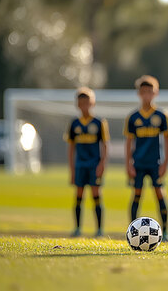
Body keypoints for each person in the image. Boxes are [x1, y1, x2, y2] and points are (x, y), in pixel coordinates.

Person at [124, 76, 168, 241]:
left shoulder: (162, 115)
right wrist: (128, 164)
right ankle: (132, 230)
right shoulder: (133, 117)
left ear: (156, 93)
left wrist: (165, 162)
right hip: (138, 163)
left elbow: (167, 141)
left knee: (159, 193)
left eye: (150, 92)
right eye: (143, 92)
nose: (146, 95)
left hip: (155, 163)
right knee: (137, 194)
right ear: (138, 93)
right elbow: (129, 142)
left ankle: (166, 231)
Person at [65, 87, 109, 237]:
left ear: (93, 103)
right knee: (78, 195)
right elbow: (71, 147)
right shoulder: (74, 123)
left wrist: (102, 164)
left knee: (96, 194)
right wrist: (72, 169)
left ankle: (99, 230)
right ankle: (77, 228)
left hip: (94, 165)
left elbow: (105, 144)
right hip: (80, 165)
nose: (84, 105)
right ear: (77, 104)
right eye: (81, 102)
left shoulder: (99, 122)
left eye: (87, 102)